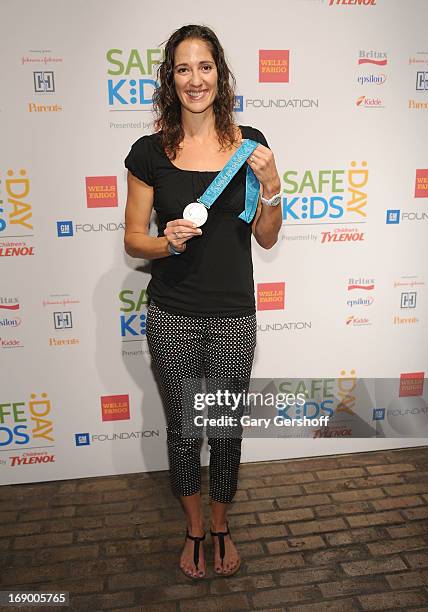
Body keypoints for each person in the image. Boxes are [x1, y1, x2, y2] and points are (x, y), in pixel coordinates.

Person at [124, 24, 281, 579]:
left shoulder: (251, 144)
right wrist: (165, 239)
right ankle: (193, 527)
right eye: (184, 69)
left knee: (225, 428)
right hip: (171, 315)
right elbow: (132, 241)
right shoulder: (149, 152)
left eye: (206, 66)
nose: (196, 79)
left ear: (221, 73)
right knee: (185, 428)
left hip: (233, 316)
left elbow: (266, 237)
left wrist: (274, 188)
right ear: (171, 78)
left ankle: (221, 524)